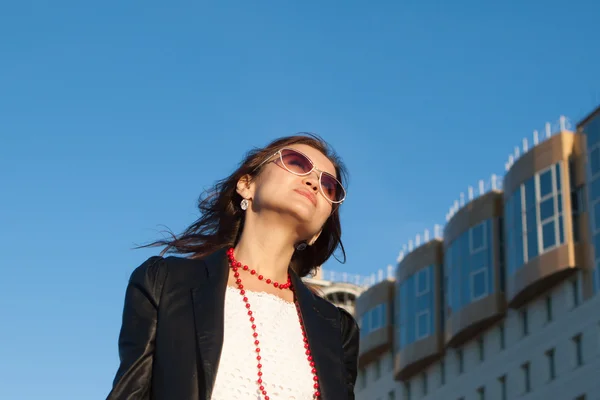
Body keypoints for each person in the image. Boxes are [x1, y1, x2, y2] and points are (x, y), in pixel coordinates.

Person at [106, 133, 360, 400]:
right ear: (246, 185)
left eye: (329, 186)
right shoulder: (165, 283)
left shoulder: (336, 329)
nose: (313, 182)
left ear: (318, 232)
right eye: (296, 163)